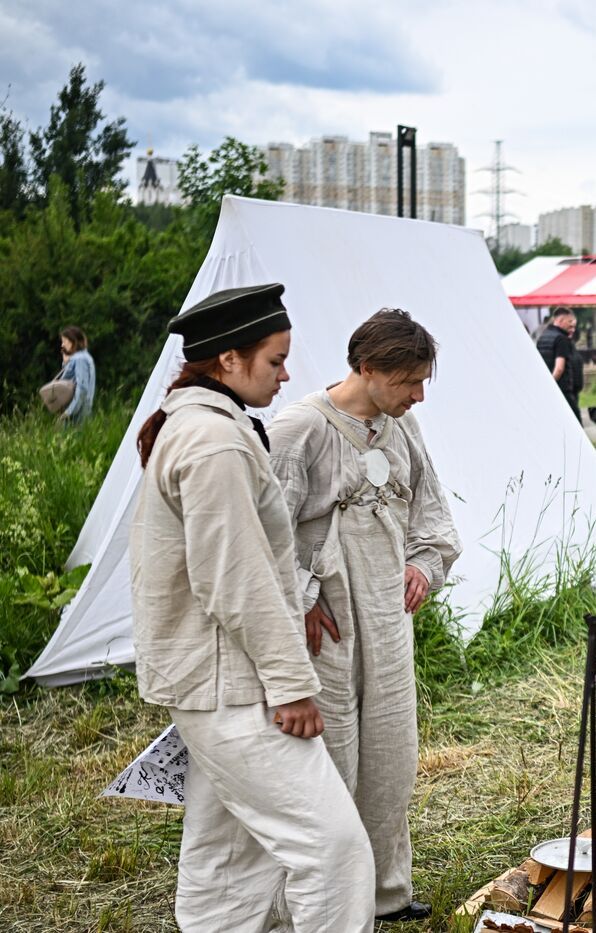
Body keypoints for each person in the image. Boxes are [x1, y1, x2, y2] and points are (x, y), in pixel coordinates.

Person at [129, 283, 375, 932]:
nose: (287, 372)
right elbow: (234, 579)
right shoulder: (214, 442)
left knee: (230, 859)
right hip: (230, 684)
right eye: (275, 359)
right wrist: (292, 685)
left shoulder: (210, 426)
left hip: (217, 678)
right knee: (334, 850)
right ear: (229, 361)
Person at [266, 308, 462, 923]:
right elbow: (262, 535)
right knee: (332, 764)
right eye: (409, 382)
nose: (418, 395)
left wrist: (423, 567)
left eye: (423, 381)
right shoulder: (299, 429)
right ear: (368, 368)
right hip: (325, 626)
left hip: (385, 615)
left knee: (390, 757)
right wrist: (298, 598)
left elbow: (431, 514)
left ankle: (385, 892)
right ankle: (324, 903)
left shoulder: (402, 428)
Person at [537, 307, 582, 421]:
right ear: (561, 320)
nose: (572, 328)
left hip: (545, 388)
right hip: (561, 388)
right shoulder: (561, 339)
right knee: (575, 423)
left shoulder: (543, 336)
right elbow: (559, 368)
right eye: (569, 323)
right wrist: (551, 384)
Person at [56, 325, 96, 423]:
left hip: (77, 412)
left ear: (73, 342)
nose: (62, 345)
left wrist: (68, 412)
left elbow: (82, 388)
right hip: (81, 408)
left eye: (65, 341)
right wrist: (66, 363)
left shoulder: (80, 359)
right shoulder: (84, 356)